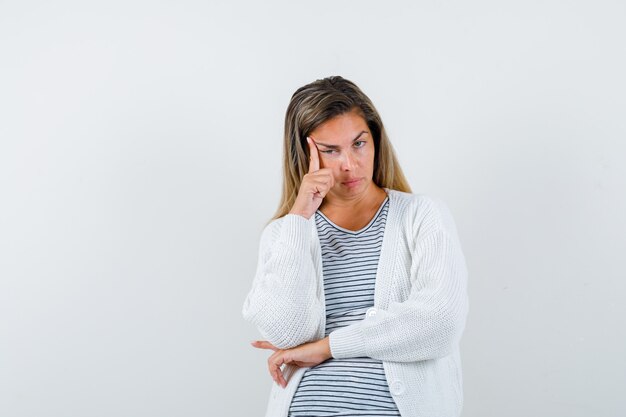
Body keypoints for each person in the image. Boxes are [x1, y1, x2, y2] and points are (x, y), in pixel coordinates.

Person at [241, 76, 469, 417]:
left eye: (359, 144)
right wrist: (300, 216)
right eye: (330, 151)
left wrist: (328, 347)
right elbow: (288, 332)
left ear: (376, 140)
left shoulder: (421, 216)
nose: (348, 164)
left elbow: (439, 323)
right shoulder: (284, 234)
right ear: (303, 155)